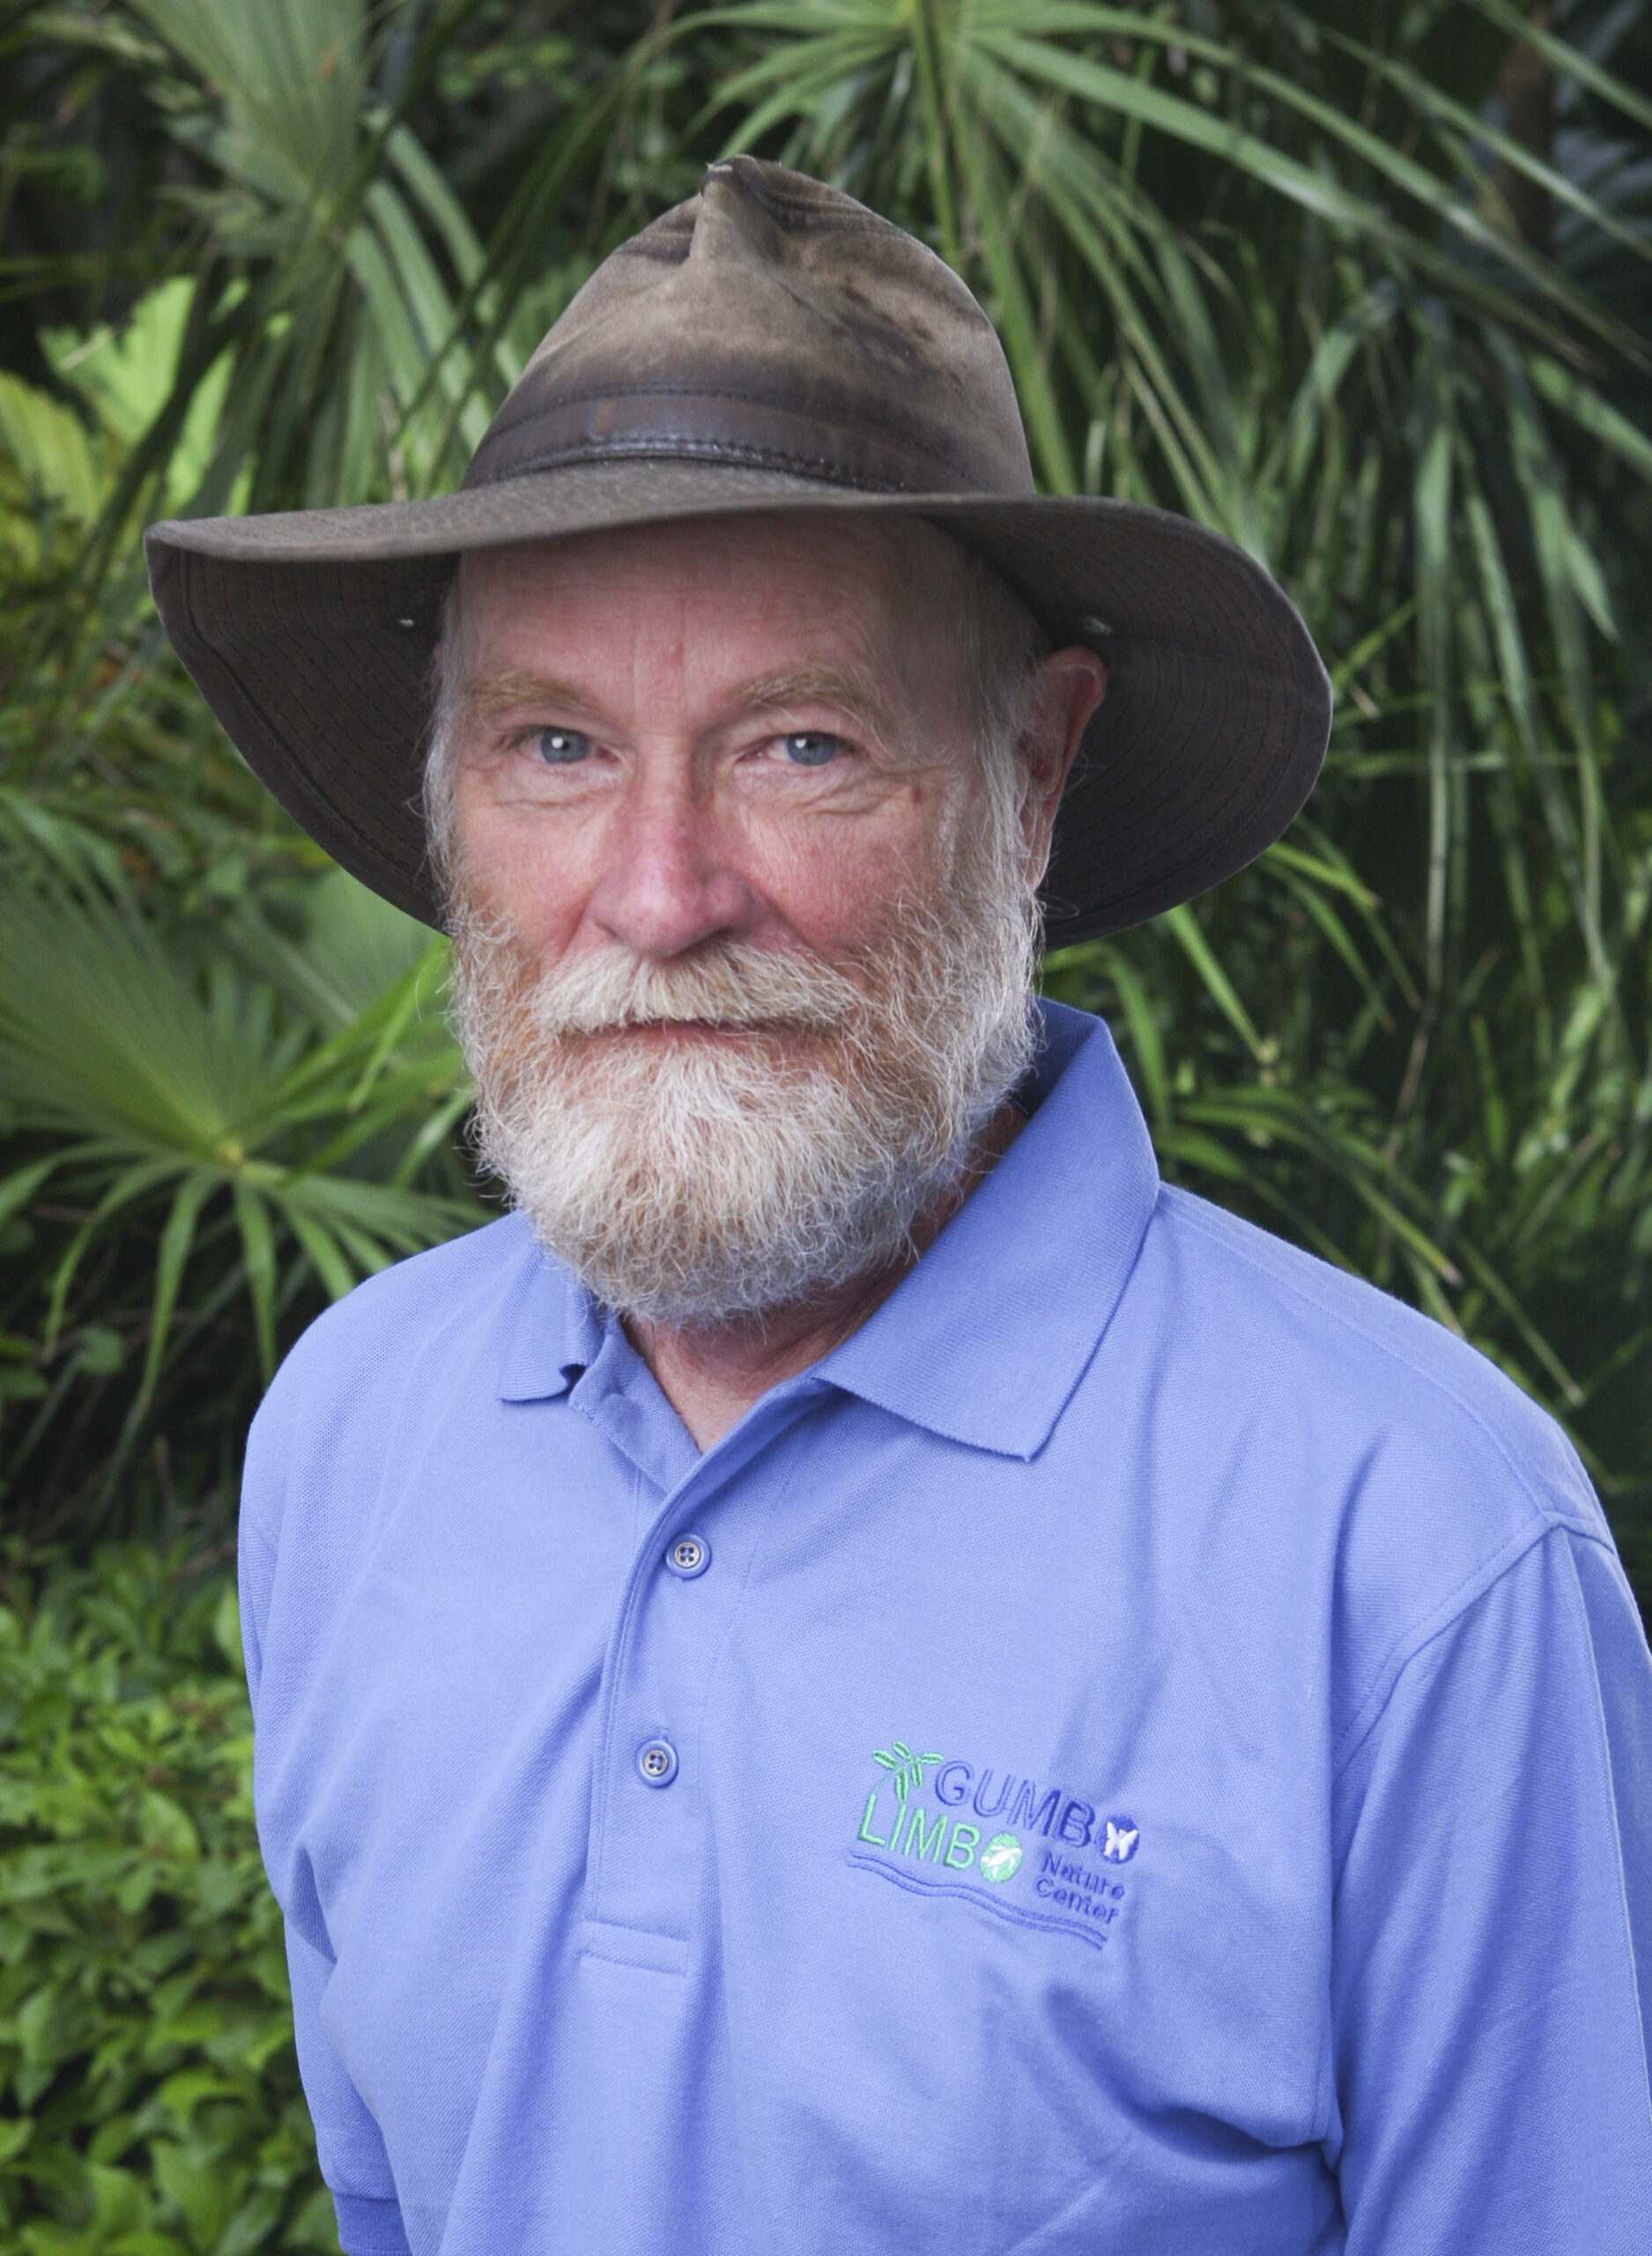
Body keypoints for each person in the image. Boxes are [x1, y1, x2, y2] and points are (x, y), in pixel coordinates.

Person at [148, 160, 1652, 2256]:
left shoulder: (1411, 1553)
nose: (659, 895)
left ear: (1034, 772)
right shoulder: (350, 1434)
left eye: (798, 743)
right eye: (558, 744)